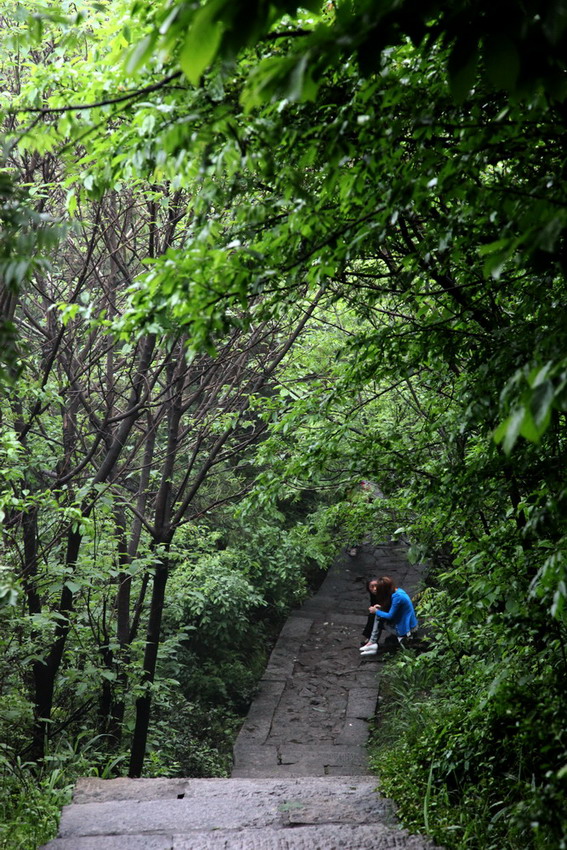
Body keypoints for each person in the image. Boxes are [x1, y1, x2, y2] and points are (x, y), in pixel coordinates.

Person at [360, 576, 418, 657]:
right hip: (408, 625)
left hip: (406, 630)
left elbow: (390, 616)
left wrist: (376, 611)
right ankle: (372, 642)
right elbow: (394, 610)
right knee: (379, 614)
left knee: (378, 618)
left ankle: (372, 642)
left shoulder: (397, 598)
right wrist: (381, 609)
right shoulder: (399, 592)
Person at [361, 578, 389, 644]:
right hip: (381, 611)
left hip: (389, 613)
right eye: (372, 587)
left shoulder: (385, 593)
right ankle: (370, 637)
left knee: (375, 617)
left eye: (376, 586)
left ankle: (371, 639)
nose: (375, 589)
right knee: (372, 615)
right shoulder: (373, 594)